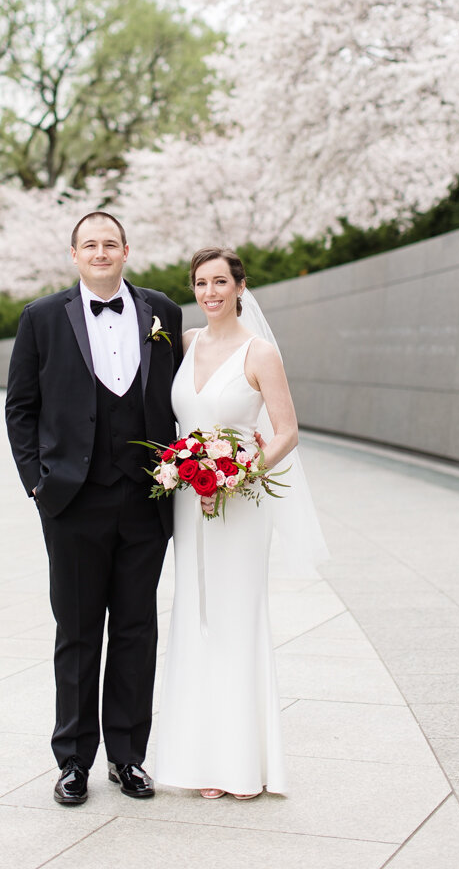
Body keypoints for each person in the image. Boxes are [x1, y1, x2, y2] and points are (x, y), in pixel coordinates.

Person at [5, 212, 183, 806]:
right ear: (73, 255)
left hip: (146, 498)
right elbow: (20, 408)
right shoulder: (40, 318)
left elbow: (179, 398)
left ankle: (128, 757)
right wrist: (38, 483)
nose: (101, 252)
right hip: (72, 502)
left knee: (137, 630)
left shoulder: (163, 311)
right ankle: (73, 760)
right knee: (77, 633)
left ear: (126, 250)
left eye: (110, 243)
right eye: (90, 245)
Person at [155, 246, 328, 800]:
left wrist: (236, 473)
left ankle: (240, 765)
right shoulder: (185, 345)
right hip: (189, 500)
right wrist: (188, 470)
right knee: (195, 614)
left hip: (239, 500)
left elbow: (286, 431)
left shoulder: (260, 353)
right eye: (201, 283)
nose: (210, 293)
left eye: (220, 283)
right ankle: (197, 758)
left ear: (240, 286)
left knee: (235, 618)